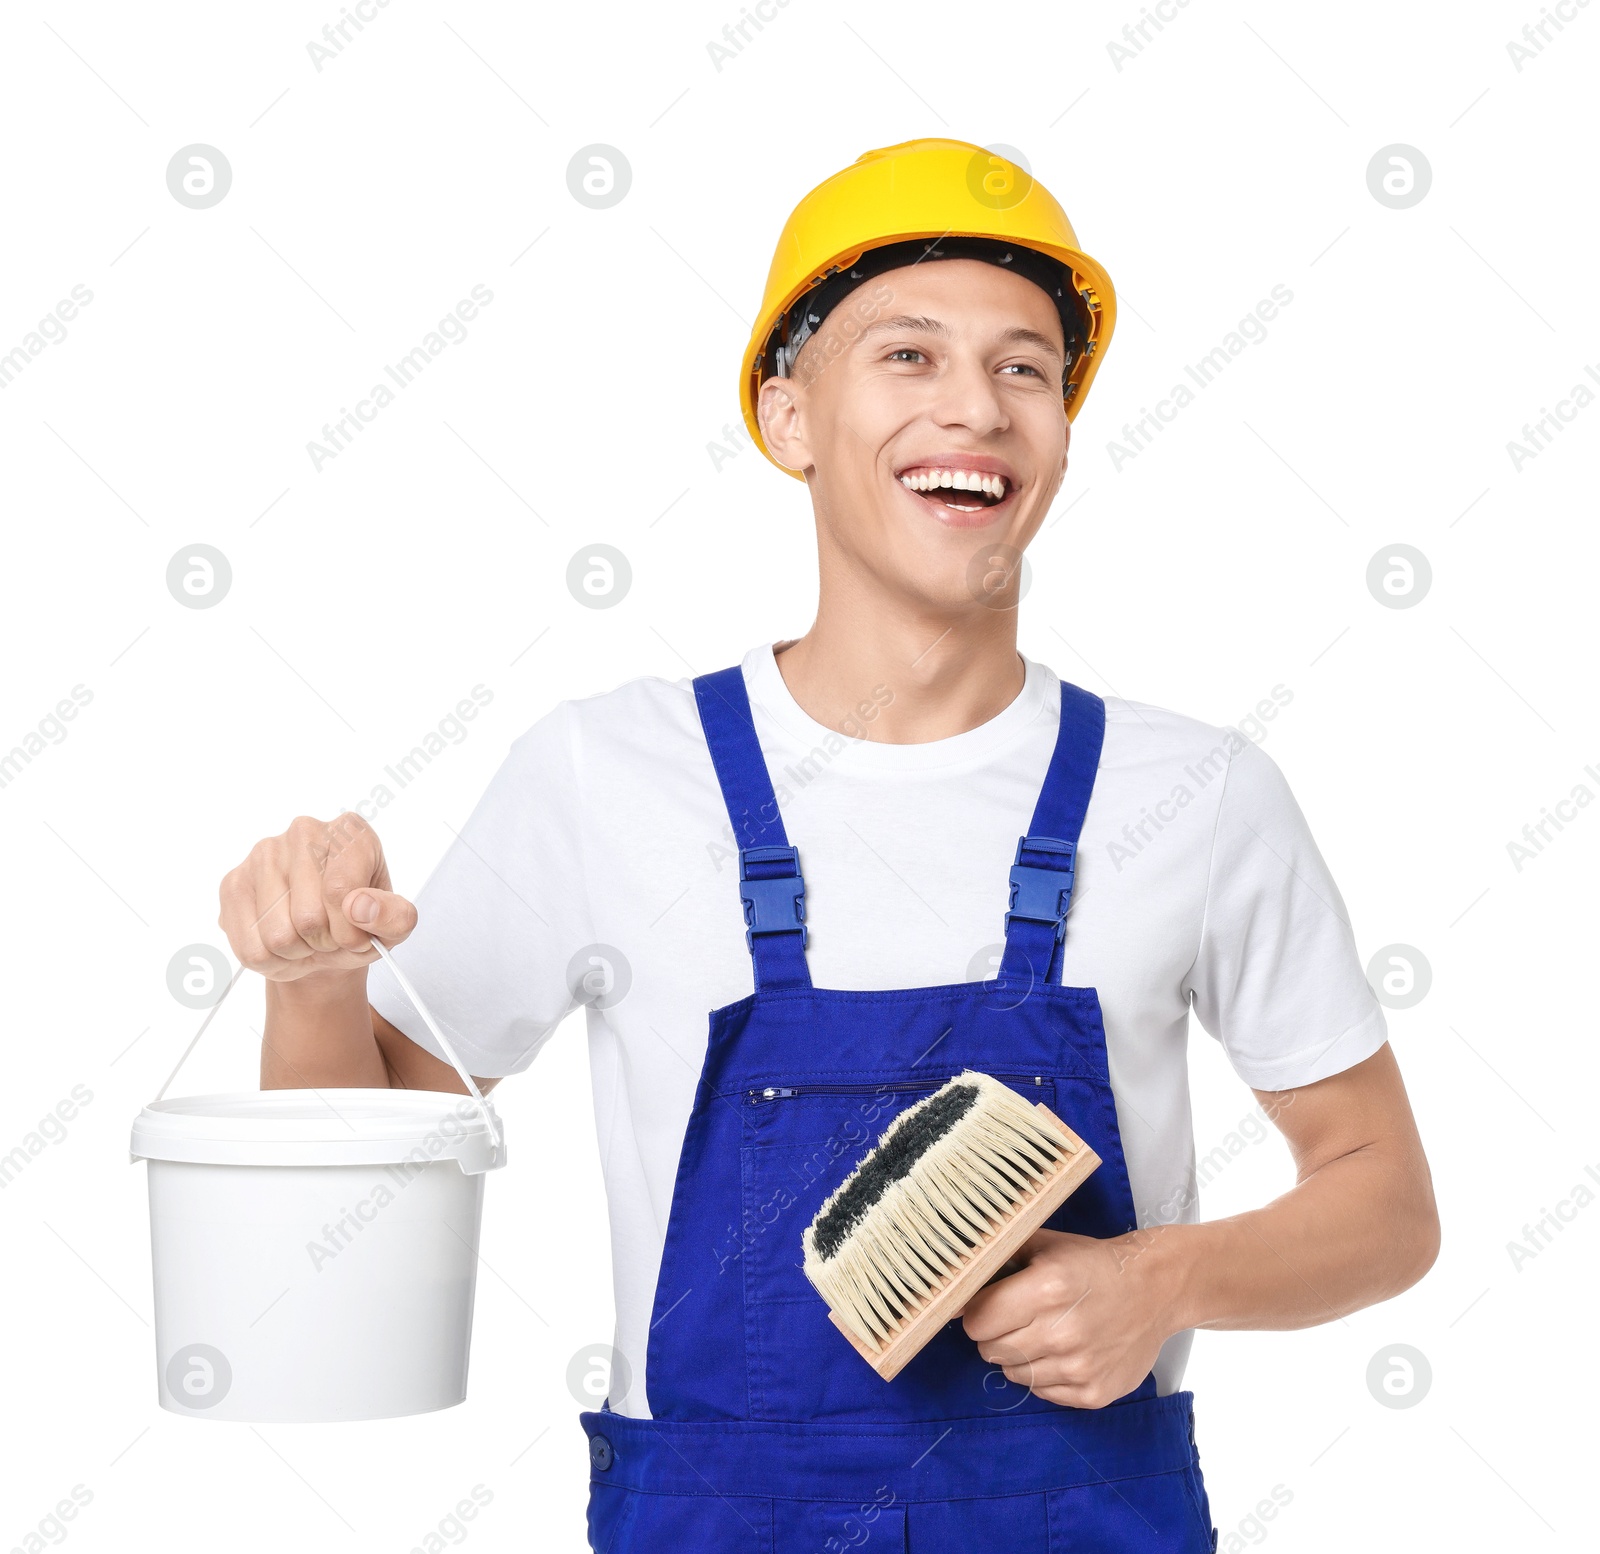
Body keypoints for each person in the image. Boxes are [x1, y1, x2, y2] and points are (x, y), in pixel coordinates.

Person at [218, 138, 1439, 1551]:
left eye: (1025, 366)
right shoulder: (606, 775)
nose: (974, 407)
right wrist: (310, 983)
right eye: (908, 356)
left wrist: (1165, 1280)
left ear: (1059, 425)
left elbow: (1387, 1200)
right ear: (789, 415)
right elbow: (363, 1177)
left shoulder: (1200, 792)